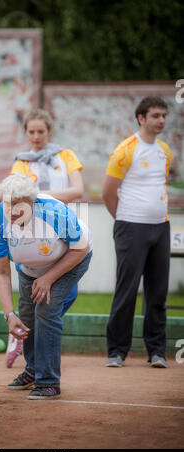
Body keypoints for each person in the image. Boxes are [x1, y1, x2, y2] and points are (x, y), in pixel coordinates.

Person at [0, 174, 93, 400]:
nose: (12, 211)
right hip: (29, 268)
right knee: (27, 315)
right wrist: (9, 315)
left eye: (19, 205)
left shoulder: (54, 213)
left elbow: (81, 249)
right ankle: (33, 370)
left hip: (69, 260)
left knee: (46, 309)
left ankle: (49, 382)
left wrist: (48, 279)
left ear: (32, 202)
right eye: (8, 203)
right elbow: (1, 272)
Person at [6, 108, 85, 368]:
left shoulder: (65, 156)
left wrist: (42, 197)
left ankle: (35, 334)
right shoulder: (21, 162)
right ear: (26, 132)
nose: (36, 136)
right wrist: (37, 200)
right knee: (33, 298)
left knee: (67, 293)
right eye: (32, 132)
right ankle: (29, 343)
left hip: (63, 232)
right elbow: (18, 198)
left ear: (49, 131)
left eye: (41, 131)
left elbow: (78, 190)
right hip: (30, 235)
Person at [102, 96, 172, 368]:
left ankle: (156, 351)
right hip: (131, 227)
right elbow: (108, 193)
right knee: (127, 290)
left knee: (158, 292)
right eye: (155, 115)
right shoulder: (126, 149)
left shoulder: (165, 150)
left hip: (161, 228)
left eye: (164, 115)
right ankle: (116, 351)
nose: (161, 120)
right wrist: (124, 220)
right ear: (141, 118)